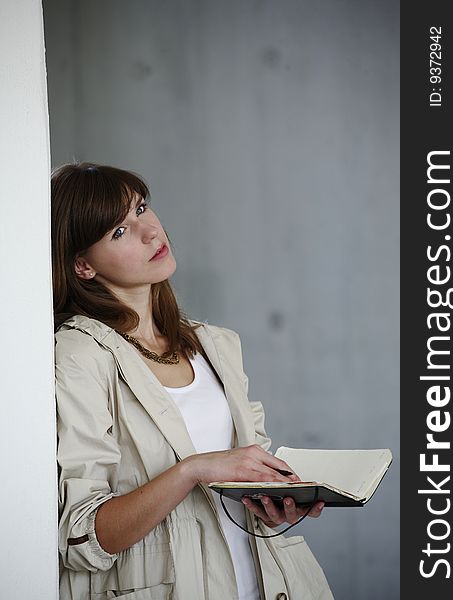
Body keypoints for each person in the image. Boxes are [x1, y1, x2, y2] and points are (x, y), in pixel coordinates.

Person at [52, 162, 334, 600]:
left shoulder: (217, 345)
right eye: (119, 232)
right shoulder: (79, 355)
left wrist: (275, 501)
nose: (149, 231)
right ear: (83, 266)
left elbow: (247, 472)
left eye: (141, 208)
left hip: (274, 583)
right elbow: (83, 536)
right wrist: (195, 469)